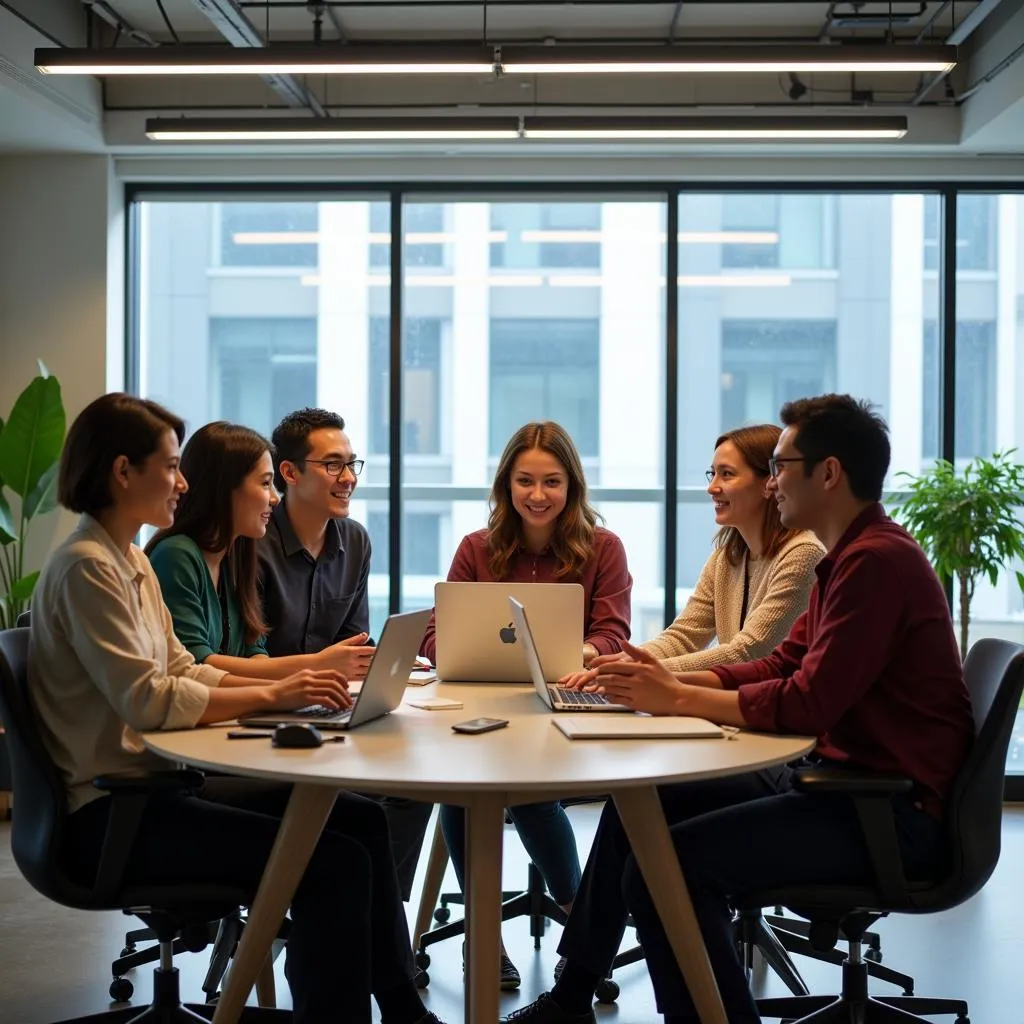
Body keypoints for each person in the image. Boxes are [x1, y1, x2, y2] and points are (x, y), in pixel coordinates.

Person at [504, 395, 974, 1024]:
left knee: (663, 871)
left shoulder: (874, 565)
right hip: (845, 789)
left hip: (886, 814)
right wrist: (662, 685)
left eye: (780, 466)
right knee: (643, 805)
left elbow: (808, 702)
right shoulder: (850, 558)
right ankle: (572, 996)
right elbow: (782, 664)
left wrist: (677, 696)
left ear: (828, 473)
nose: (773, 481)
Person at [28, 393, 444, 1024]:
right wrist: (282, 692)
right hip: (112, 818)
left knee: (357, 820)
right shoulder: (90, 568)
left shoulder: (130, 559)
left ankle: (404, 1012)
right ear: (122, 472)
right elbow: (149, 699)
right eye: (169, 465)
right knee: (332, 862)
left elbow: (186, 668)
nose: (182, 481)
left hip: (155, 791)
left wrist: (290, 687)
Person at [421, 421, 632, 991]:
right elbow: (435, 639)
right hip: (479, 704)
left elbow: (614, 634)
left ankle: (575, 919)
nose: (537, 495)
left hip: (564, 707)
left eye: (552, 482)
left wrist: (574, 652)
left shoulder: (604, 549)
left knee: (532, 791)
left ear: (573, 486)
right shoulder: (475, 549)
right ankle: (483, 936)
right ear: (505, 484)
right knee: (463, 791)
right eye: (524, 481)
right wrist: (461, 651)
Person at [257, 407, 432, 901]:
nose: (349, 477)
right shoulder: (255, 544)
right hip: (270, 714)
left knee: (412, 783)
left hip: (330, 710)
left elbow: (355, 644)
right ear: (289, 473)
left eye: (354, 463)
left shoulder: (353, 541)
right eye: (333, 465)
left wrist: (385, 671)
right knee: (360, 801)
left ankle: (384, 919)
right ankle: (351, 916)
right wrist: (322, 670)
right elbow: (241, 658)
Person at [561, 423, 823, 692]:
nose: (712, 487)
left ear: (769, 482)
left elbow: (747, 652)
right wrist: (626, 661)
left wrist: (639, 670)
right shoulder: (727, 556)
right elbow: (683, 636)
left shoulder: (803, 554)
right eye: (712, 474)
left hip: (777, 717)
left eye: (727, 475)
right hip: (742, 705)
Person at [146, 421, 368, 683]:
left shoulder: (238, 550)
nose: (275, 498)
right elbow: (194, 663)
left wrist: (298, 689)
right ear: (225, 488)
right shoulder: (177, 555)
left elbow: (254, 650)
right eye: (265, 484)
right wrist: (308, 673)